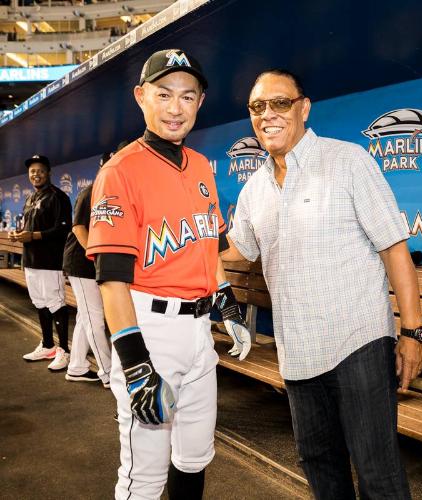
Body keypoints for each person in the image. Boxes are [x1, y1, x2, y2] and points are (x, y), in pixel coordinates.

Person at [222, 69, 422, 499]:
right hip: (297, 353)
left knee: (378, 474)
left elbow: (394, 248)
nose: (268, 115)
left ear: (303, 107)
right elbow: (236, 250)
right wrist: (175, 250)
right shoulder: (253, 189)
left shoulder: (348, 161)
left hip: (359, 345)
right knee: (321, 468)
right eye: (257, 107)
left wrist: (413, 332)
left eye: (279, 103)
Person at [86, 49, 251, 500]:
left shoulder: (200, 166)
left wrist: (227, 302)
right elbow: (111, 280)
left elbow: (209, 248)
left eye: (187, 96)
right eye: (164, 94)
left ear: (200, 102)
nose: (175, 107)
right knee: (144, 477)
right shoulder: (120, 171)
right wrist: (136, 361)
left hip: (200, 331)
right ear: (142, 97)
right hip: (149, 328)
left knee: (195, 456)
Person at [9, 154, 73, 371]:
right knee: (39, 302)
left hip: (49, 261)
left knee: (55, 303)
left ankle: (64, 350)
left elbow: (64, 229)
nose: (35, 174)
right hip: (31, 260)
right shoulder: (30, 198)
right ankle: (47, 345)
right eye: (32, 171)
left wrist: (34, 236)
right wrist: (18, 234)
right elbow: (29, 228)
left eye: (40, 170)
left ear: (48, 173)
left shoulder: (58, 196)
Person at [62, 153, 114, 387]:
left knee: (86, 317)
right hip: (82, 265)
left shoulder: (114, 193)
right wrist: (96, 258)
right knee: (95, 320)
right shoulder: (90, 191)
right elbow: (78, 229)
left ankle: (77, 367)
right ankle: (108, 372)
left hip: (93, 265)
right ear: (101, 168)